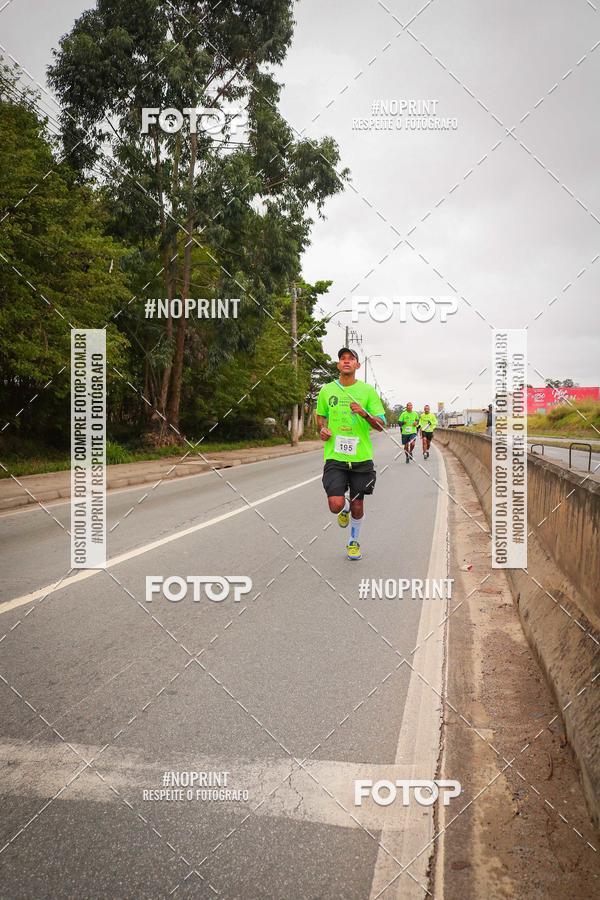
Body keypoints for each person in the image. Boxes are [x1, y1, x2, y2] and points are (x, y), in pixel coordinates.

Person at [316, 348, 386, 560]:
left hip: (361, 458)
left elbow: (380, 425)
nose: (346, 362)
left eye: (351, 359)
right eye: (342, 359)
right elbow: (320, 418)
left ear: (357, 366)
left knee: (358, 504)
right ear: (338, 365)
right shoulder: (327, 390)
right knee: (335, 504)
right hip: (335, 457)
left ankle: (353, 541)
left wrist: (365, 414)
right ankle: (343, 508)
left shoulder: (367, 392)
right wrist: (322, 430)